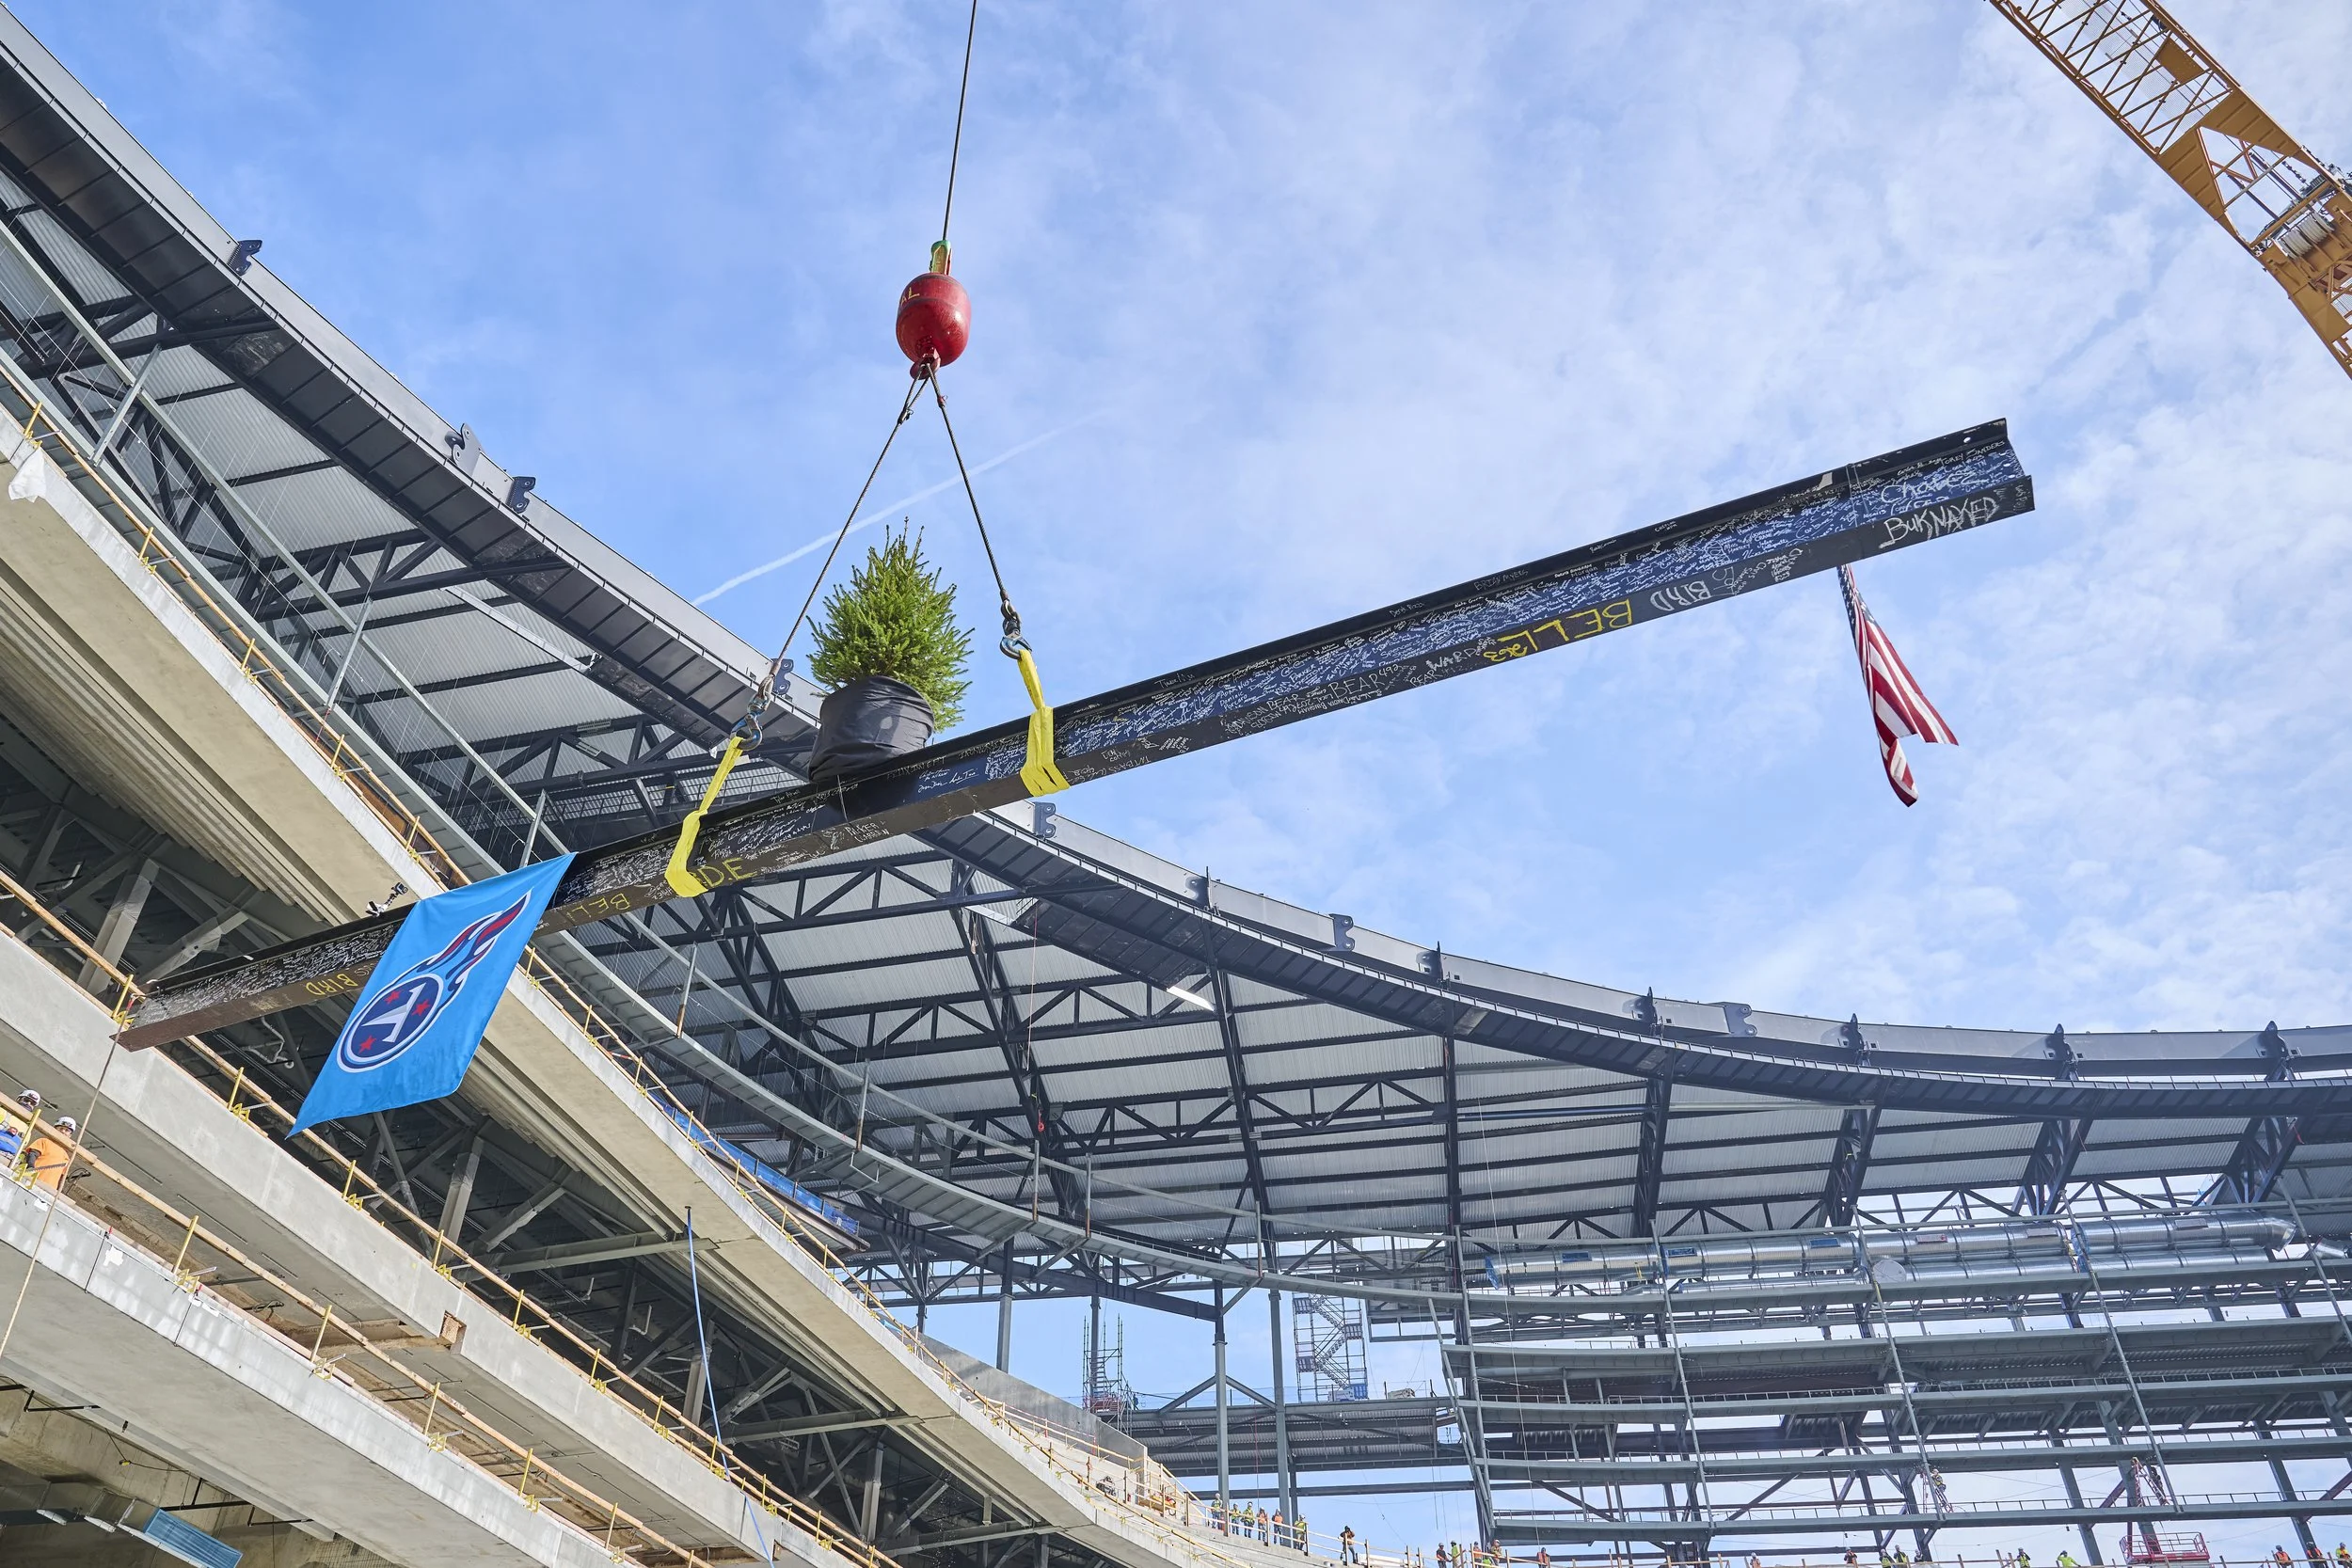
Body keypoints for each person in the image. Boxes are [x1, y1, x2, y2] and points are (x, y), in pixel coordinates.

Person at [24, 1115, 73, 1192]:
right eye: (61, 1128)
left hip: (48, 1190)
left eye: (67, 1130)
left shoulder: (66, 1156)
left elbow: (62, 1177)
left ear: (70, 1135)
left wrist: (58, 1192)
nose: (63, 1131)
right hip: (31, 1182)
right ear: (54, 1129)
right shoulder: (44, 1141)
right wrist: (30, 1168)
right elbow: (32, 1154)